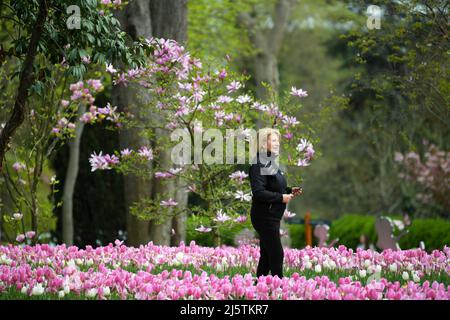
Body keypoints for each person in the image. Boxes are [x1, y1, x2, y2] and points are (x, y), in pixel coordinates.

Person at [248, 128, 302, 278]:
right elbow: (259, 192)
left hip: (272, 216)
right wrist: (281, 198)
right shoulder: (259, 164)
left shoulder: (269, 162)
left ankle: (258, 288)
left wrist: (290, 190)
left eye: (278, 140)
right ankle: (280, 288)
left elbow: (275, 187)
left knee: (266, 256)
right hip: (264, 217)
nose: (277, 143)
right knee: (277, 254)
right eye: (273, 140)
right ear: (264, 143)